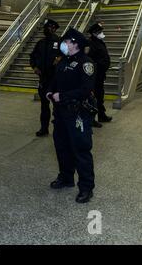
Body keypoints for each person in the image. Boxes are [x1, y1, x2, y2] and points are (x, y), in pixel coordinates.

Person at [47, 28, 96, 203]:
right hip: (61, 113)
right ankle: (66, 178)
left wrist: (63, 96)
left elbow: (86, 89)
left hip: (78, 114)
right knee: (62, 147)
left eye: (66, 41)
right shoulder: (62, 61)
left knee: (81, 150)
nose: (63, 44)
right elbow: (55, 80)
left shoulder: (86, 63)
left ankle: (86, 187)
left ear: (75, 43)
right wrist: (50, 91)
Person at [30, 19, 61, 137]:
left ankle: (59, 128)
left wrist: (60, 59)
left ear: (54, 29)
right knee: (44, 106)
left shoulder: (60, 42)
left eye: (51, 28)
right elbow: (32, 56)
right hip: (43, 79)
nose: (48, 30)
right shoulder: (41, 43)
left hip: (56, 80)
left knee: (58, 106)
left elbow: (67, 56)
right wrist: (34, 67)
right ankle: (44, 128)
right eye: (47, 28)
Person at [88, 23, 112, 125]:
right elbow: (90, 60)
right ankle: (92, 119)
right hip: (94, 76)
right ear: (94, 33)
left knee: (100, 96)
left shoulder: (100, 42)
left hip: (100, 75)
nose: (102, 33)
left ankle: (101, 115)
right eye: (100, 32)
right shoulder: (90, 44)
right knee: (93, 98)